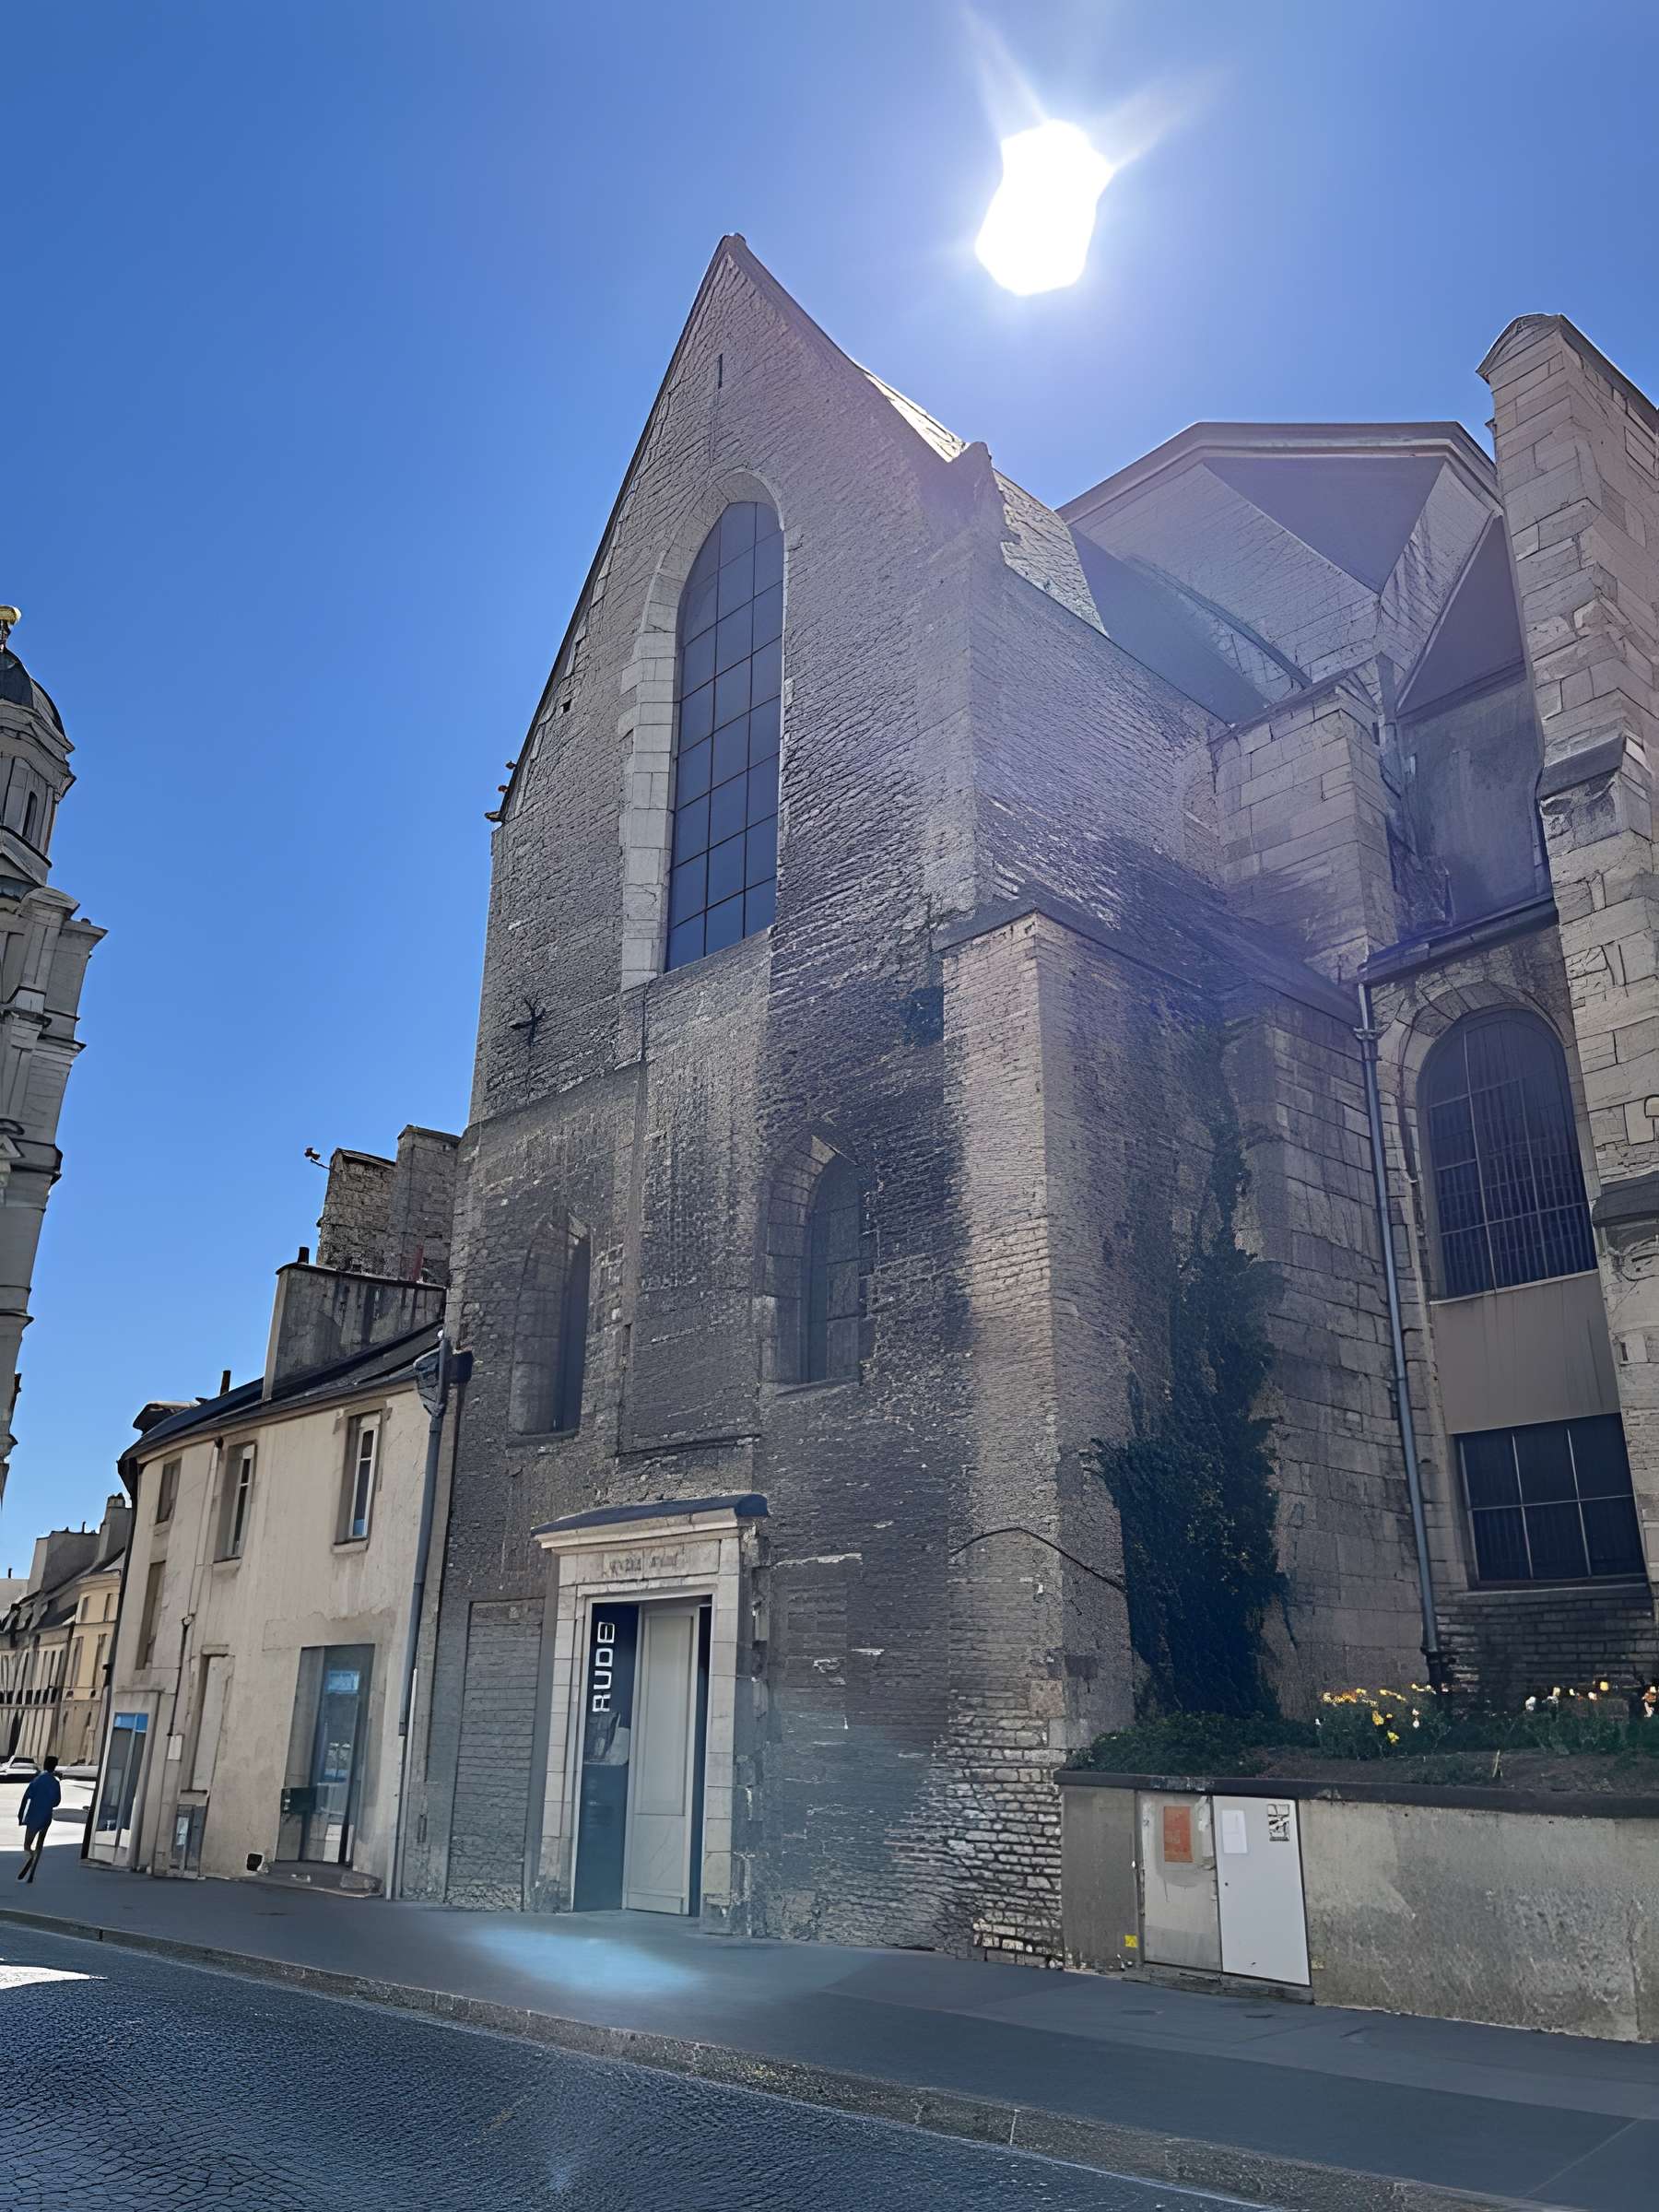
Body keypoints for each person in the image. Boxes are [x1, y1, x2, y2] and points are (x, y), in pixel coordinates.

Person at [17, 1755, 61, 1883]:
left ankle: (29, 1856)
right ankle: (32, 1874)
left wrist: (21, 1816)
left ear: (44, 1765)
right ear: (54, 1767)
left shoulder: (37, 1780)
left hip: (34, 1815)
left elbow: (26, 1798)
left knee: (27, 1844)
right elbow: (56, 1802)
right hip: (46, 1816)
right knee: (40, 1845)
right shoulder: (55, 1783)